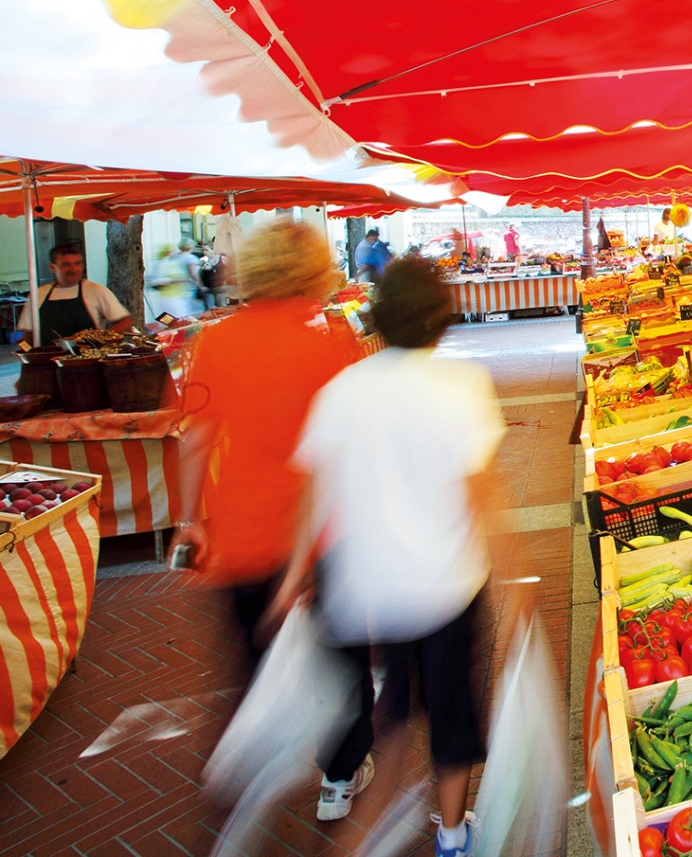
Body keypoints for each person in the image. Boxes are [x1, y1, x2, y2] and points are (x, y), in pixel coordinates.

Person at [270, 257, 505, 857]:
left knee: (395, 713)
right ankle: (451, 834)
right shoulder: (461, 385)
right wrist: (515, 574)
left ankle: (362, 834)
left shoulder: (342, 389)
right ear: (439, 319)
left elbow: (311, 489)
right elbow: (477, 495)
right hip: (446, 583)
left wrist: (296, 573)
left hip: (371, 588)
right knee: (450, 716)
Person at [173, 219, 376, 822]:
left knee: (256, 654)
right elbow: (347, 444)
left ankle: (259, 757)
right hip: (318, 534)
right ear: (312, 272)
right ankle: (339, 777)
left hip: (240, 531)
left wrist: (190, 520)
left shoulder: (216, 340)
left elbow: (195, 438)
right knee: (341, 656)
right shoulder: (330, 339)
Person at [16, 241, 133, 345]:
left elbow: (125, 321)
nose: (74, 269)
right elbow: (29, 335)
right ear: (53, 267)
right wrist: (25, 353)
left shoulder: (96, 291)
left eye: (78, 263)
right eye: (66, 265)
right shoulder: (38, 295)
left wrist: (101, 340)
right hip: (48, 361)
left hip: (87, 361)